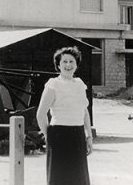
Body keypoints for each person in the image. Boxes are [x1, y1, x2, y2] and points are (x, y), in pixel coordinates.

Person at [37, 46, 92, 185]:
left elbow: (84, 111)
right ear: (58, 65)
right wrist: (48, 136)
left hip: (78, 136)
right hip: (58, 136)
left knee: (79, 179)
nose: (68, 65)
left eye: (71, 61)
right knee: (59, 179)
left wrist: (89, 136)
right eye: (64, 62)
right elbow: (41, 114)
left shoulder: (80, 84)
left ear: (76, 64)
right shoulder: (53, 84)